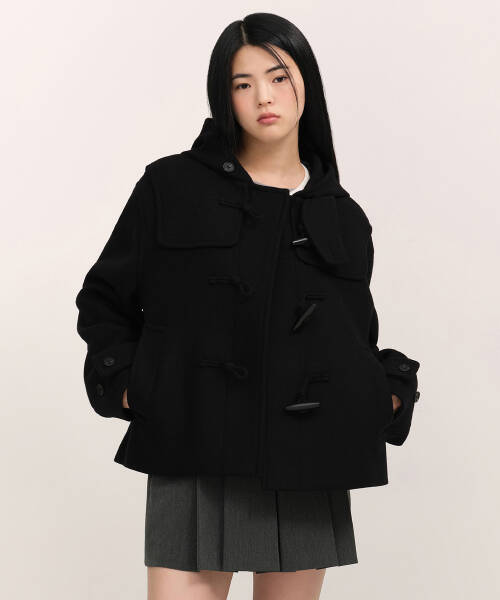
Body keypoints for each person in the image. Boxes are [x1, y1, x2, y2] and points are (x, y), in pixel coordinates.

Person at [75, 12, 421, 600]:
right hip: (194, 447)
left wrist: (383, 395)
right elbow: (103, 298)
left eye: (278, 76)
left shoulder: (342, 215)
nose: (263, 96)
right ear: (224, 96)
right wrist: (135, 386)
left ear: (305, 82)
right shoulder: (170, 186)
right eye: (243, 83)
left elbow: (352, 337)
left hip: (308, 461)